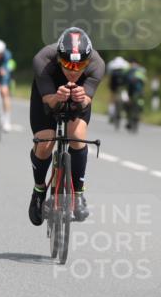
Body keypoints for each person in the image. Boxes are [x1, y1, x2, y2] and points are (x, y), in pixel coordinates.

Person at [28, 26, 105, 225]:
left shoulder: (96, 64)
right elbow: (49, 102)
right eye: (68, 65)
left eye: (80, 66)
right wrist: (57, 97)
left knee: (77, 136)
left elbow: (86, 102)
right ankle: (39, 190)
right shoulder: (43, 60)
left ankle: (78, 194)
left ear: (87, 62)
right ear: (59, 58)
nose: (73, 71)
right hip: (48, 95)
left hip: (77, 98)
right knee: (45, 143)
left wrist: (81, 98)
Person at [106, 55, 130, 121]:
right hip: (123, 85)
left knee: (112, 99)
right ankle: (126, 110)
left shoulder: (111, 64)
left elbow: (109, 75)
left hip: (113, 85)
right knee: (125, 96)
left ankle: (111, 114)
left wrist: (109, 85)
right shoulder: (126, 64)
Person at [125, 60, 148, 129]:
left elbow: (126, 81)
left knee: (129, 105)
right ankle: (138, 115)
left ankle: (130, 119)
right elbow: (144, 81)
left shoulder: (129, 71)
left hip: (131, 91)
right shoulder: (141, 71)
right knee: (139, 103)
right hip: (139, 91)